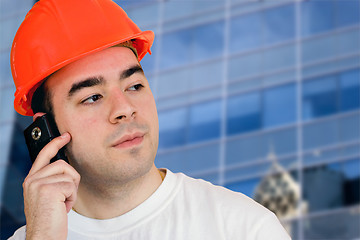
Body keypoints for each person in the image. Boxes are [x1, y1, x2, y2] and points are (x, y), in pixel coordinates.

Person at [9, 0, 291, 239]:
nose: (125, 109)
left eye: (134, 86)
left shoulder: (242, 227)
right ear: (45, 131)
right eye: (93, 97)